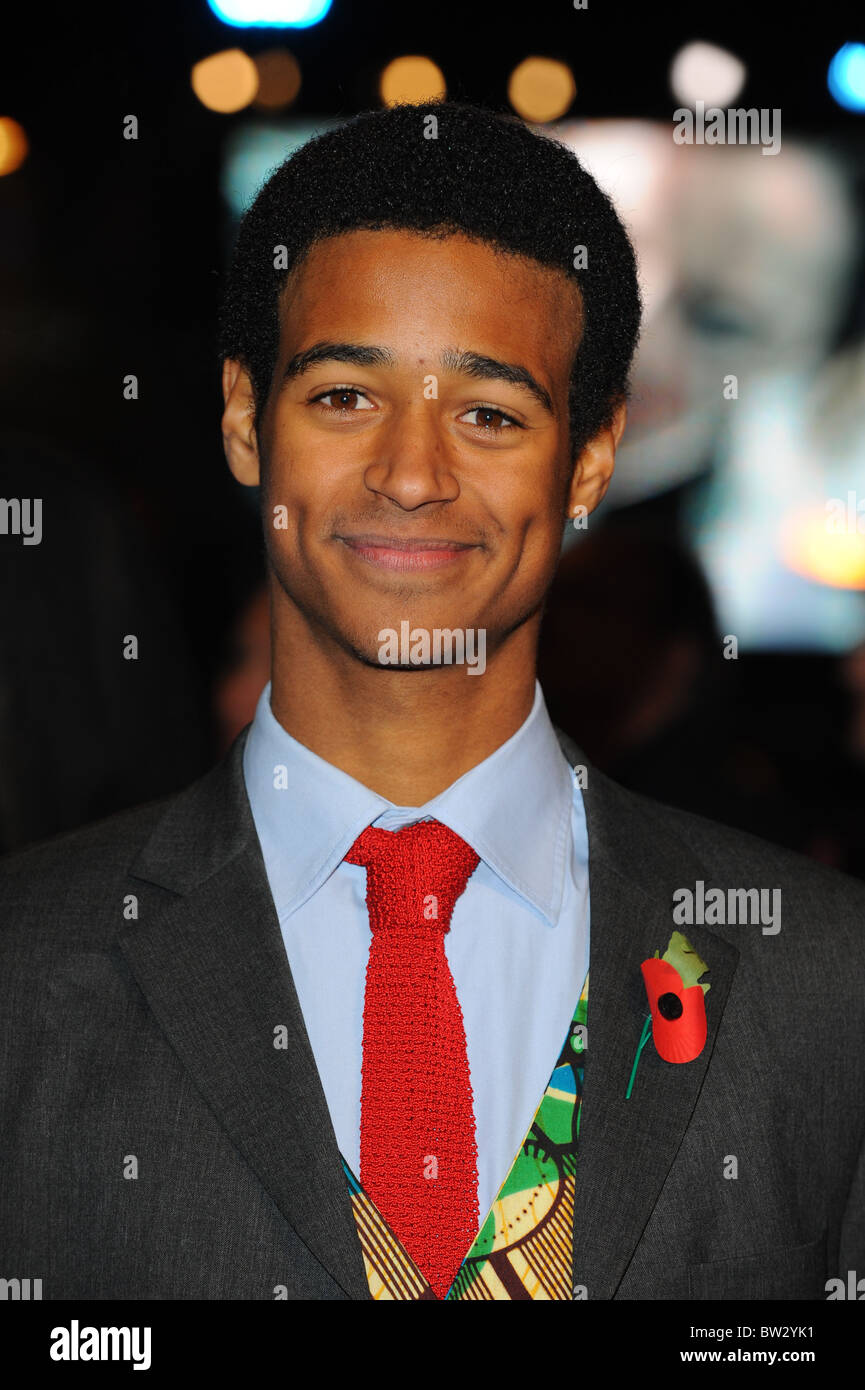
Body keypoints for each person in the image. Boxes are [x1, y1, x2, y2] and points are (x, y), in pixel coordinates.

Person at [1, 100, 862, 1302]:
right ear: (248, 420)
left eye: (490, 413)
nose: (411, 475)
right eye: (345, 396)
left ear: (592, 460)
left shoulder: (824, 979)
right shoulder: (25, 970)